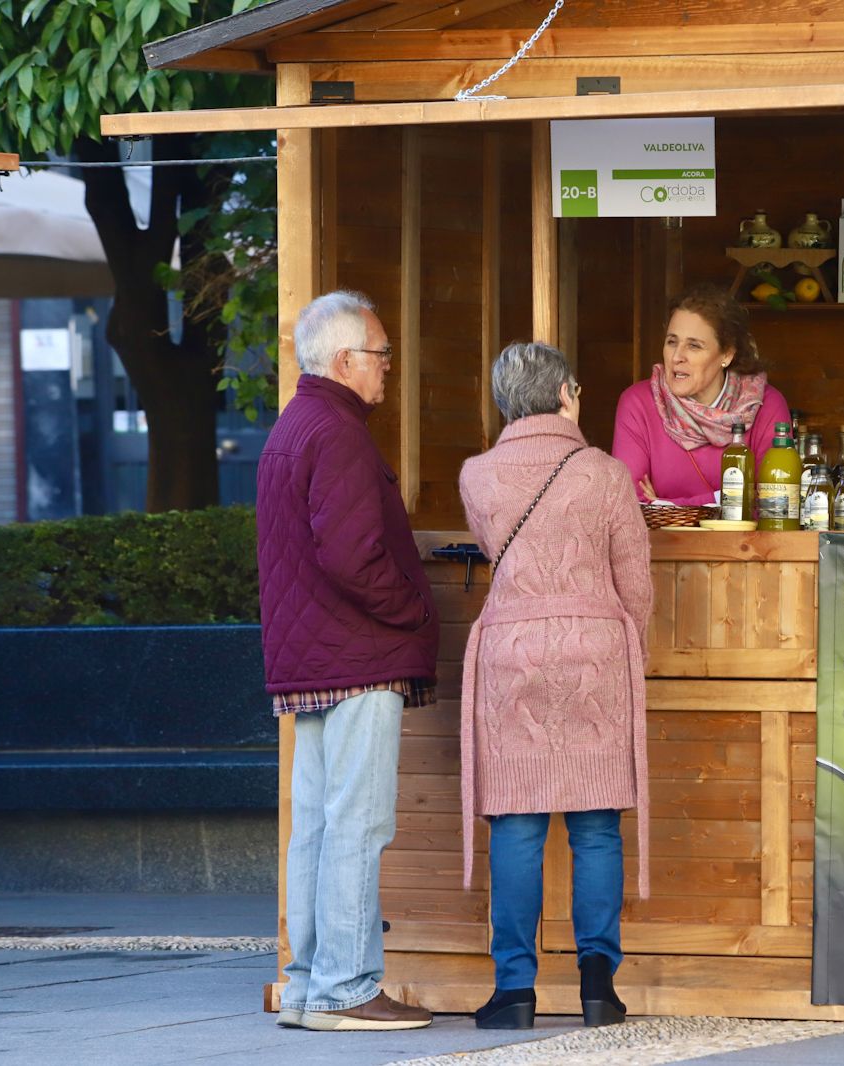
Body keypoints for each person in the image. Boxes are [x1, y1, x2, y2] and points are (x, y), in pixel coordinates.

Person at [256, 290, 439, 1032]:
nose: (389, 366)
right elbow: (352, 557)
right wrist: (413, 611)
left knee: (319, 828)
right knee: (357, 825)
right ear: (344, 360)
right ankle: (348, 988)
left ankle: (306, 985)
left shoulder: (292, 426)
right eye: (381, 353)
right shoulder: (338, 433)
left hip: (310, 659)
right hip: (359, 653)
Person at [458, 341, 653, 1031]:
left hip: (511, 652)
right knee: (597, 826)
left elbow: (494, 551)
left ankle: (515, 991)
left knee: (516, 824)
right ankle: (598, 985)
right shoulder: (606, 474)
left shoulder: (477, 475)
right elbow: (636, 581)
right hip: (595, 650)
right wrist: (630, 648)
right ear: (568, 392)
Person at [612, 286, 791, 505]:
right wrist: (727, 499)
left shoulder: (766, 405)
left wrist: (668, 506)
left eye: (694, 346)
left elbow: (774, 502)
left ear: (727, 354)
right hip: (657, 541)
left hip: (744, 541)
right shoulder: (638, 402)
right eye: (672, 342)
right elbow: (628, 504)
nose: (677, 356)